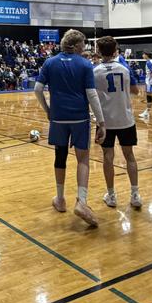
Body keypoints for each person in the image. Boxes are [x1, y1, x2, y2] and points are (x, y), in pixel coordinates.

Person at [34, 30, 106, 227]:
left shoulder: (50, 63)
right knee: (83, 159)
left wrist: (48, 110)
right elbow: (91, 94)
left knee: (60, 156)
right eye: (83, 44)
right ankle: (81, 202)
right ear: (75, 46)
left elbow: (37, 89)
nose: (85, 48)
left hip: (58, 118)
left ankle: (60, 199)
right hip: (79, 118)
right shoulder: (84, 64)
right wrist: (101, 122)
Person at [93, 37, 142, 209]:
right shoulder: (125, 69)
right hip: (126, 119)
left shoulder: (95, 71)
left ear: (98, 51)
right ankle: (135, 194)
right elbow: (136, 91)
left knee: (108, 156)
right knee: (130, 156)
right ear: (115, 51)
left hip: (105, 121)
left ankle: (112, 196)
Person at [139, 51, 152, 119]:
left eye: (143, 54)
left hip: (151, 83)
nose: (142, 55)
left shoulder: (149, 62)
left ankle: (146, 113)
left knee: (149, 97)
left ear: (146, 55)